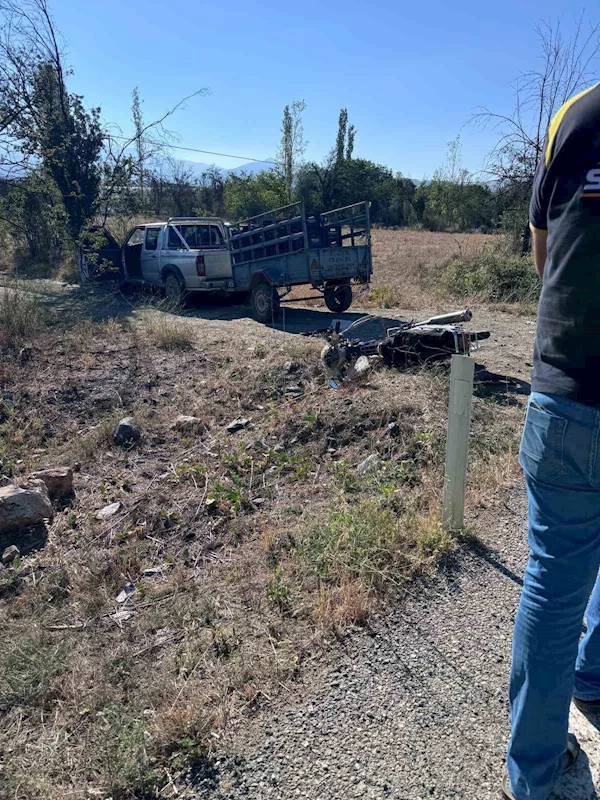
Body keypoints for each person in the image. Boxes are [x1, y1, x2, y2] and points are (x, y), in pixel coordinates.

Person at [503, 80, 600, 800]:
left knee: (552, 582)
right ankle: (593, 677)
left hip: (566, 393)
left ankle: (532, 776)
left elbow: (545, 259)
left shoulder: (576, 114)